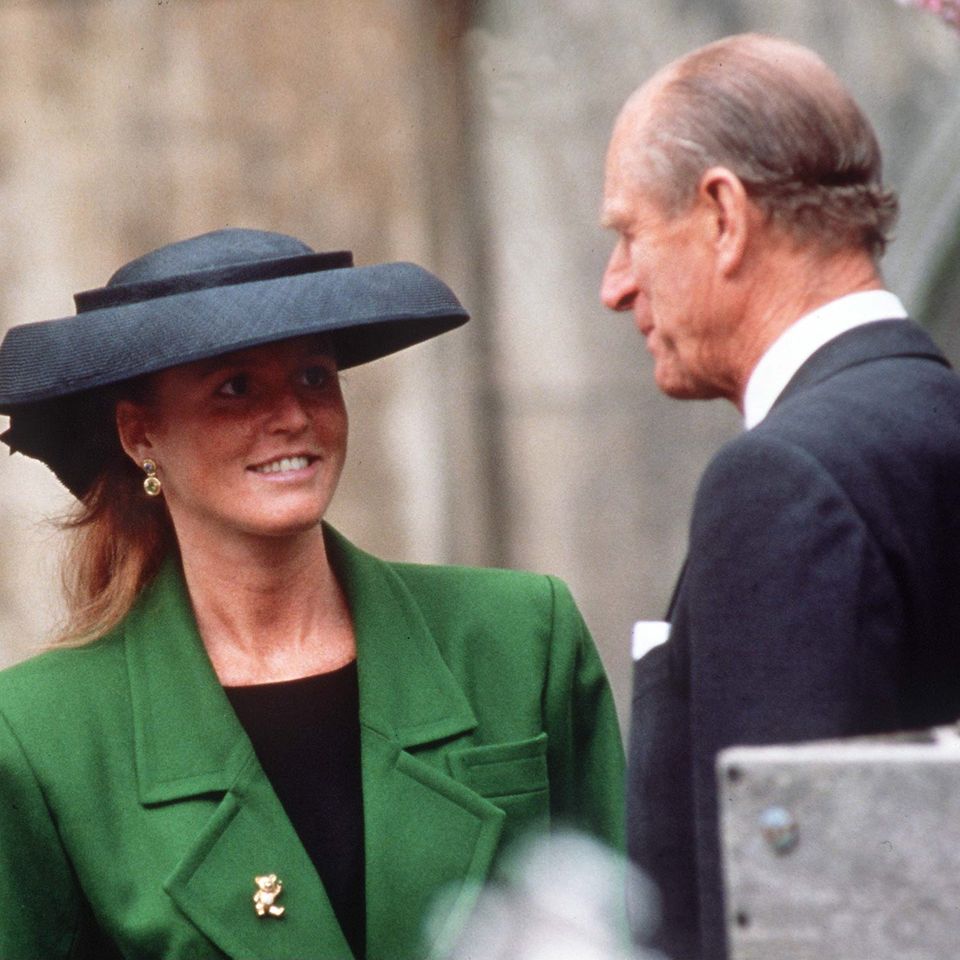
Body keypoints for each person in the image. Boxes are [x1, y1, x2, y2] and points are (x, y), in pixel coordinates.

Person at [0, 228, 625, 960]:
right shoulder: (41, 734)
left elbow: (627, 917)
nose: (292, 415)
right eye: (235, 387)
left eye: (314, 378)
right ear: (142, 436)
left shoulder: (519, 636)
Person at [600, 33, 960, 960]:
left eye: (629, 234)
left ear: (724, 214)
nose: (616, 287)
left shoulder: (784, 479)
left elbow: (795, 922)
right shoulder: (931, 413)